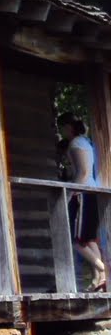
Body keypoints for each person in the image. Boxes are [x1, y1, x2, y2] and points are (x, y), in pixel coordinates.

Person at [59, 115, 108, 291]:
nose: (61, 132)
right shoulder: (85, 141)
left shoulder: (75, 143)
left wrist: (71, 193)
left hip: (83, 194)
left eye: (62, 127)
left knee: (77, 241)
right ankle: (98, 279)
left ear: (69, 127)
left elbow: (84, 171)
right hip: (92, 192)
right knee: (89, 239)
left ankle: (104, 271)